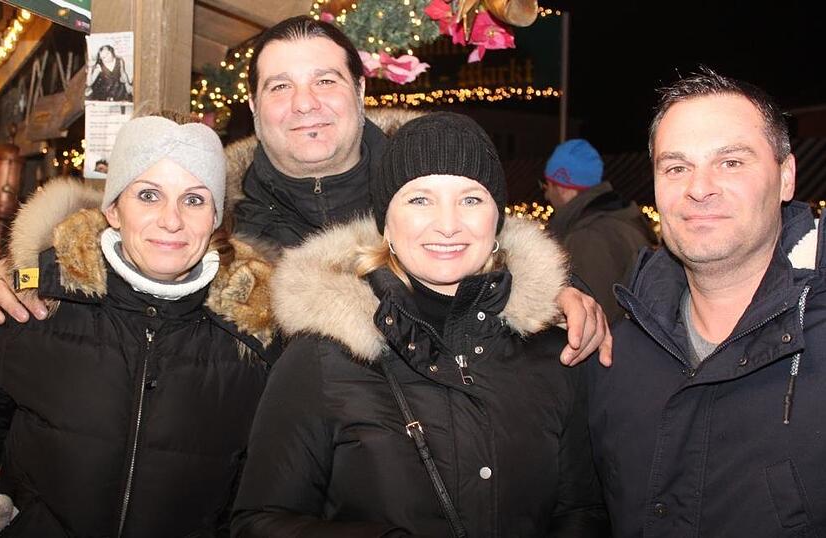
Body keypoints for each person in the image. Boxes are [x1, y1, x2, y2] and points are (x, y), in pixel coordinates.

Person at [0, 16, 611, 367]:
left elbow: (501, 272)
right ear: (254, 107)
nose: (304, 104)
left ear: (362, 96)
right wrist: (29, 271)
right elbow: (110, 263)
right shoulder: (205, 224)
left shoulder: (435, 215)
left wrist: (543, 295)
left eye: (325, 81)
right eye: (280, 86)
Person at [0, 116, 271, 536]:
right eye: (149, 195)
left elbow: (255, 504)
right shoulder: (36, 305)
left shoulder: (251, 338)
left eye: (194, 200)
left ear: (215, 218)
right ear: (113, 209)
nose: (171, 220)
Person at [232, 113, 610, 537]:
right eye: (419, 200)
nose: (447, 224)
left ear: (497, 220)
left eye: (470, 199)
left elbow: (582, 510)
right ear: (385, 222)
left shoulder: (552, 353)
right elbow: (258, 521)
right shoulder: (323, 357)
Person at [588, 68, 826, 537]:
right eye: (676, 167)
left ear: (786, 177)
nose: (699, 188)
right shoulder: (615, 353)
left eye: (731, 162)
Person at [542, 138, 657, 320]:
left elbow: (591, 319)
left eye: (547, 186)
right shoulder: (617, 220)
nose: (547, 194)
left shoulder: (588, 238)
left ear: (563, 188)